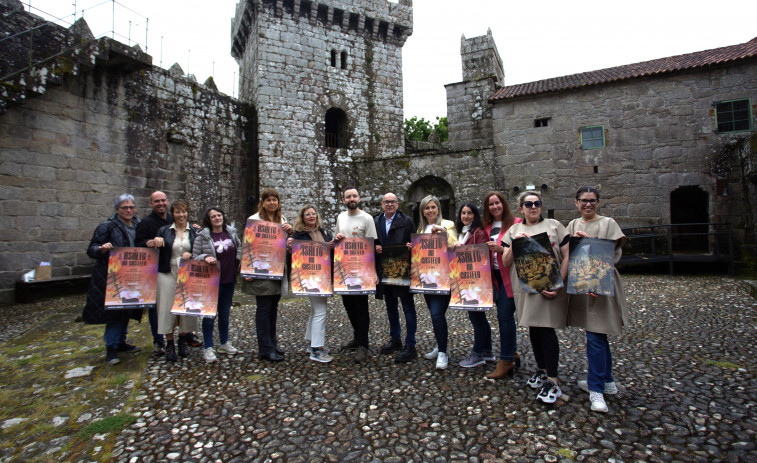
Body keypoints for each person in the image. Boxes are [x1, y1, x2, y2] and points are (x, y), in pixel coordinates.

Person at [502, 190, 569, 404]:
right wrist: (515, 243)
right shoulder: (514, 229)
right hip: (526, 287)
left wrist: (560, 283)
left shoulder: (555, 226)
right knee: (534, 328)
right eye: (528, 204)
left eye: (537, 203)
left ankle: (553, 379)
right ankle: (541, 369)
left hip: (549, 286)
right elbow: (506, 262)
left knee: (546, 329)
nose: (533, 207)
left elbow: (567, 256)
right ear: (521, 208)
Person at [566, 186, 628, 413]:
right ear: (576, 202)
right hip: (582, 282)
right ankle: (607, 381)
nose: (588, 204)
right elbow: (568, 250)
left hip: (601, 283)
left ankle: (596, 389)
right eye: (583, 200)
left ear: (598, 202)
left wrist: (589, 240)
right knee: (596, 333)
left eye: (592, 201)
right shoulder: (573, 224)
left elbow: (610, 253)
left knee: (595, 334)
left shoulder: (608, 223)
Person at [82, 193, 143, 365]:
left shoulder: (138, 225)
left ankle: (121, 342)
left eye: (131, 207)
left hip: (132, 275)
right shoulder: (107, 226)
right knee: (114, 313)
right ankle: (111, 348)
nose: (128, 210)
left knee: (126, 310)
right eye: (124, 207)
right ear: (117, 209)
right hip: (113, 276)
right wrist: (101, 248)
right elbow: (91, 249)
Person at [245, 189, 293, 362]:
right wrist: (246, 269)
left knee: (273, 309)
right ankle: (265, 348)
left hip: (278, 269)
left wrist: (290, 234)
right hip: (261, 271)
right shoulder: (254, 220)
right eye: (269, 200)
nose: (272, 203)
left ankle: (272, 344)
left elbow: (287, 247)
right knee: (264, 310)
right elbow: (248, 245)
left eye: (275, 200)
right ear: (263, 203)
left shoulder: (283, 220)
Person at [333, 187, 378, 363]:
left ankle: (363, 345)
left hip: (361, 270)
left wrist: (373, 271)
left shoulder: (367, 218)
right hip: (344, 270)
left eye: (354, 196)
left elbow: (372, 246)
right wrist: (337, 238)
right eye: (348, 196)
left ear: (359, 198)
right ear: (343, 200)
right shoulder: (340, 217)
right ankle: (357, 337)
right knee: (348, 306)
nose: (352, 198)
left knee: (361, 307)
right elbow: (338, 241)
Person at [192, 206, 242, 363]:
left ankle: (224, 342)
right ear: (209, 219)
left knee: (225, 313)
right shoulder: (202, 236)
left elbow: (239, 247)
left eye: (219, 215)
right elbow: (195, 256)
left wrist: (239, 262)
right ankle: (208, 347)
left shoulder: (231, 232)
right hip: (211, 281)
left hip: (229, 278)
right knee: (209, 315)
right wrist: (205, 256)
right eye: (213, 216)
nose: (217, 218)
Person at [481, 191, 522, 379]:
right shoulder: (486, 226)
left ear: (503, 204)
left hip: (510, 275)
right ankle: (512, 351)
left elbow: (522, 248)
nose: (495, 207)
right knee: (504, 316)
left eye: (497, 203)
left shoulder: (516, 223)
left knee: (504, 315)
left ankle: (506, 360)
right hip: (494, 276)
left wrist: (502, 249)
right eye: (491, 204)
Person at [152, 200, 198, 362]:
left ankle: (183, 340)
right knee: (166, 307)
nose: (181, 215)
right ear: (173, 214)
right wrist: (154, 242)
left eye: (183, 212)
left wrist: (191, 255)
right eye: (177, 212)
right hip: (168, 271)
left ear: (187, 213)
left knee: (186, 307)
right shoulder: (164, 230)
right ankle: (170, 343)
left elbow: (200, 250)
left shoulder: (194, 231)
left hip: (188, 273)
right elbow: (153, 246)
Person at [374, 193, 418, 363]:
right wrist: (375, 247)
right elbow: (372, 241)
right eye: (387, 202)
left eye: (392, 202)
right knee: (390, 306)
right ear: (382, 203)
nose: (390, 204)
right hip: (384, 269)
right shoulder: (376, 221)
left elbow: (416, 244)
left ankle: (410, 344)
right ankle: (396, 340)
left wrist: (411, 247)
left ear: (398, 204)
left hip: (402, 270)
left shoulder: (407, 221)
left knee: (408, 307)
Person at [415, 195, 458, 370]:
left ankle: (442, 352)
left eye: (433, 207)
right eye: (427, 208)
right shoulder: (421, 229)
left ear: (438, 208)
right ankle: (441, 345)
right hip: (427, 278)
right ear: (423, 211)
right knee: (434, 314)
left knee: (436, 314)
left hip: (443, 277)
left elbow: (455, 245)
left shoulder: (448, 224)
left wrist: (443, 233)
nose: (430, 210)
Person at [290, 205, 333, 363]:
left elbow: (329, 251)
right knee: (321, 310)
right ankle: (316, 349)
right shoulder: (298, 235)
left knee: (316, 310)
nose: (311, 216)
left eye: (313, 213)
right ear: (302, 217)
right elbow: (295, 256)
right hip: (309, 277)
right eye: (307, 214)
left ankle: (311, 344)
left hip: (323, 276)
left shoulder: (324, 232)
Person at [452, 202, 491, 368]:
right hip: (465, 280)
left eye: (469, 213)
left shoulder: (478, 233)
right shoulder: (461, 233)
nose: (466, 216)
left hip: (475, 281)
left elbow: (481, 256)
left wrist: (462, 249)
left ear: (475, 215)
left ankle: (477, 354)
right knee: (480, 318)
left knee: (476, 318)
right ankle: (487, 351)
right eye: (463, 213)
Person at [135, 191, 170, 355]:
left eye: (163, 200)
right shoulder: (146, 223)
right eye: (157, 201)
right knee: (155, 308)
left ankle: (185, 336)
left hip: (172, 268)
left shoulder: (172, 219)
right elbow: (138, 244)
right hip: (154, 271)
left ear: (167, 202)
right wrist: (148, 242)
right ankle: (158, 341)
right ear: (151, 204)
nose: (161, 203)